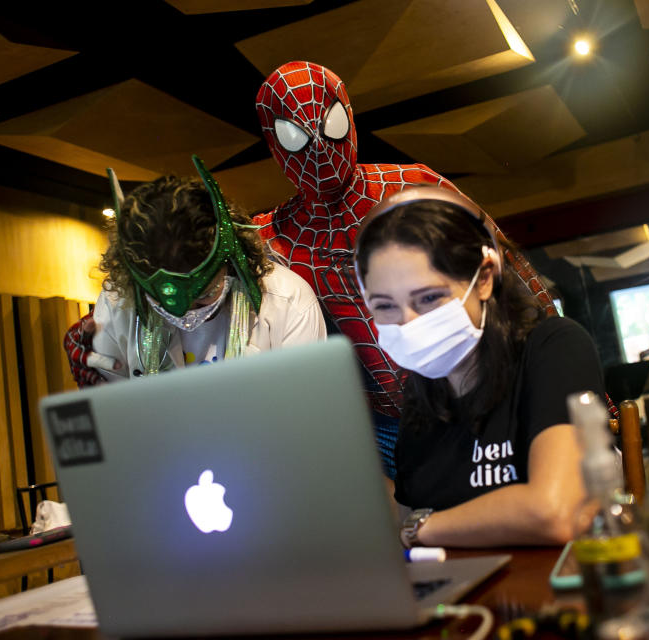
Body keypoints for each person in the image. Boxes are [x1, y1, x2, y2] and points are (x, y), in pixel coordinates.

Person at [64, 61, 557, 477]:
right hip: (386, 421)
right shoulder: (268, 237)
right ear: (275, 143)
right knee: (408, 530)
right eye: (296, 135)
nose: (320, 147)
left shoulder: (413, 185)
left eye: (331, 124)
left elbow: (505, 267)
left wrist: (561, 374)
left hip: (480, 386)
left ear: (350, 116)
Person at [353, 186, 607, 547]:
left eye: (428, 298)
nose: (407, 323)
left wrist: (415, 530)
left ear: (485, 277)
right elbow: (413, 507)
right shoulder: (420, 391)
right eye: (385, 306)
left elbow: (555, 511)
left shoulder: (553, 347)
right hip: (459, 592)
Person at [85, 156, 325, 380]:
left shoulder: (288, 300)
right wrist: (93, 373)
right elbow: (115, 404)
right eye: (163, 303)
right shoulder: (117, 304)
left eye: (204, 296)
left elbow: (307, 409)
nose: (186, 316)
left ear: (230, 260)